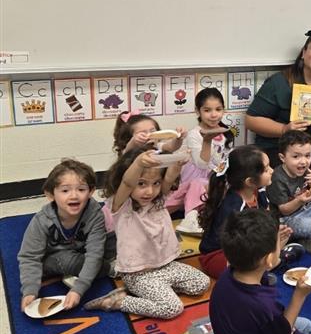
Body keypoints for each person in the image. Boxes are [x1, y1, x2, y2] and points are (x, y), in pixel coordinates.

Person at [85, 147, 210, 317]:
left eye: (155, 183)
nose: (149, 191)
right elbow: (128, 182)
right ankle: (119, 301)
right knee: (172, 308)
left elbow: (169, 177)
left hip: (165, 266)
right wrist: (138, 163)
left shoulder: (158, 199)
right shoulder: (121, 205)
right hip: (138, 274)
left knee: (202, 283)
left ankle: (155, 291)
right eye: (141, 184)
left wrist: (177, 163)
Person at [245, 31, 311, 185]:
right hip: (285, 159)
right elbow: (251, 120)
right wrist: (284, 129)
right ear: (303, 53)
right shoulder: (279, 83)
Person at [18, 159, 114, 313]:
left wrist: (78, 288)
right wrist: (30, 291)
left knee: (115, 240)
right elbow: (29, 257)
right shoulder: (42, 220)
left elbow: (95, 252)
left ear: (91, 191)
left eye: (81, 190)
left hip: (80, 249)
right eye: (65, 191)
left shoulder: (95, 213)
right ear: (50, 195)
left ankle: (83, 272)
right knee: (72, 262)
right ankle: (109, 268)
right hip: (56, 257)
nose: (74, 196)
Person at [198, 145, 295, 279]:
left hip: (247, 244)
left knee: (279, 236)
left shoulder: (258, 191)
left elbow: (266, 219)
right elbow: (237, 245)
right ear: (250, 181)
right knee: (253, 264)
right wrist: (271, 244)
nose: (272, 171)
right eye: (266, 169)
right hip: (220, 254)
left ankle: (268, 263)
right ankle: (266, 267)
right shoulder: (234, 206)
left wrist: (275, 233)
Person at [170, 88, 234, 231]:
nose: (213, 115)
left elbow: (223, 162)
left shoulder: (225, 134)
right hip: (193, 184)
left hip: (215, 182)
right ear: (198, 111)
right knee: (197, 184)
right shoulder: (194, 135)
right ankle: (190, 219)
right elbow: (201, 164)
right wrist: (207, 141)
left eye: (218, 109)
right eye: (207, 110)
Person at [112, 111, 184, 158]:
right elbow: (128, 151)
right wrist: (134, 141)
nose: (149, 135)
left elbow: (172, 146)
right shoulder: (129, 149)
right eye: (142, 133)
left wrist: (179, 138)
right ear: (130, 137)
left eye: (152, 130)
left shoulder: (157, 146)